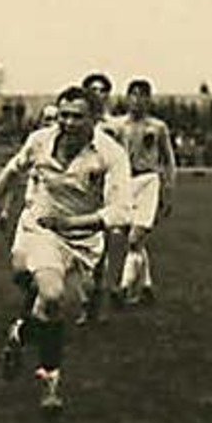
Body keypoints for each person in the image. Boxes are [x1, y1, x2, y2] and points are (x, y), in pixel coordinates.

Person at [0, 86, 131, 414]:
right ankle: (50, 387)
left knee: (50, 310)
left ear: (95, 118)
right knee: (51, 294)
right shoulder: (41, 140)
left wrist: (73, 224)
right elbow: (12, 172)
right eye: (63, 115)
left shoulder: (110, 154)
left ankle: (20, 332)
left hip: (84, 241)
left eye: (77, 116)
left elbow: (120, 212)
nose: (68, 123)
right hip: (41, 228)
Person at [112, 79, 177, 306]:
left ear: (149, 100)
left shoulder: (158, 127)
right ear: (127, 97)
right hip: (126, 182)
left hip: (149, 181)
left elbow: (168, 159)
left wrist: (168, 189)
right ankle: (146, 286)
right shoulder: (118, 126)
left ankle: (123, 288)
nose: (137, 100)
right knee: (135, 240)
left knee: (134, 238)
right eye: (133, 95)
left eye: (142, 95)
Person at [81, 72, 129, 318]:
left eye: (103, 90)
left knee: (102, 249)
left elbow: (121, 160)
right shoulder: (78, 123)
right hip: (81, 190)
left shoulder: (113, 127)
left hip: (106, 190)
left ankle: (94, 303)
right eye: (93, 90)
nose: (98, 94)